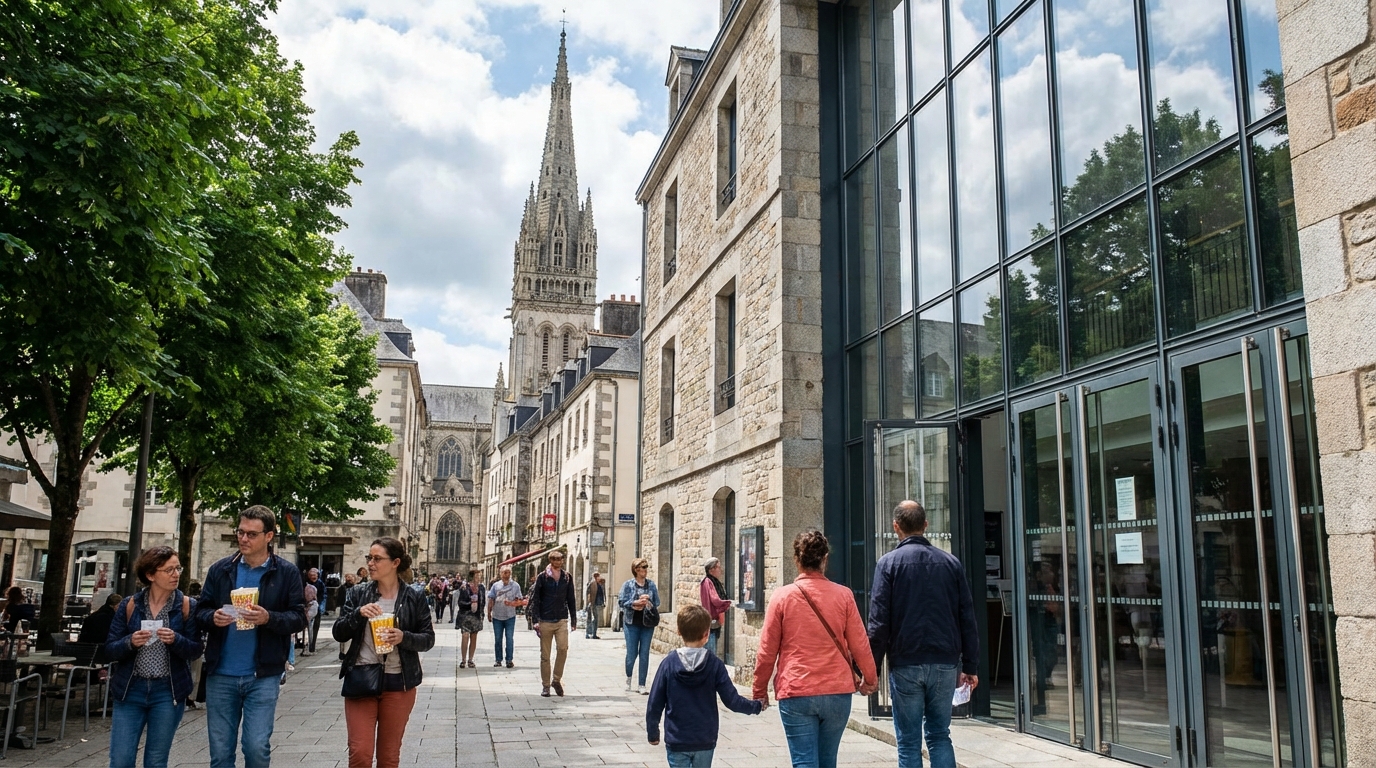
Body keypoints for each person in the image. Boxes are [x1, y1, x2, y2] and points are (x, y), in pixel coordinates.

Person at [868, 501, 979, 768]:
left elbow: (879, 622)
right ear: (925, 526)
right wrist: (971, 665)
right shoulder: (951, 564)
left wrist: (870, 669)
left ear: (896, 527)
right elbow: (967, 617)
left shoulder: (888, 564)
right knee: (940, 735)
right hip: (944, 662)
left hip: (906, 661)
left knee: (907, 741)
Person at [753, 530, 878, 768]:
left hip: (796, 689)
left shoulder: (782, 597)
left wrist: (760, 690)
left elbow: (767, 650)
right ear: (825, 559)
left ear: (797, 560)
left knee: (804, 761)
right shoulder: (844, 596)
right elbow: (859, 643)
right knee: (828, 761)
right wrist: (869, 679)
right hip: (836, 692)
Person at [195, 504, 307, 768]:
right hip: (221, 673)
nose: (244, 539)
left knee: (256, 747)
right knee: (221, 753)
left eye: (252, 534)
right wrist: (213, 618)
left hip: (263, 674)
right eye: (241, 532)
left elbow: (299, 617)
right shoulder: (221, 570)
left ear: (269, 536)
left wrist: (269, 618)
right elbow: (201, 610)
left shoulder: (286, 572)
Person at [334, 537, 435, 768]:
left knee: (389, 758)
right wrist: (358, 614)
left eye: (377, 558)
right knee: (360, 753)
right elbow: (339, 633)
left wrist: (403, 637)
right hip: (361, 679)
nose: (370, 563)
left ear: (395, 562)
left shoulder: (414, 596)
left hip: (399, 684)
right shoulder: (359, 594)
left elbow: (428, 639)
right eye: (369, 557)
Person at [105, 546, 202, 768]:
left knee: (156, 761)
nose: (176, 574)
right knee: (120, 760)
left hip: (167, 692)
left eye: (178, 568)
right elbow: (110, 648)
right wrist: (130, 642)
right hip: (130, 690)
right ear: (150, 575)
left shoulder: (187, 605)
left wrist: (176, 640)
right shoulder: (130, 604)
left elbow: (196, 649)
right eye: (169, 570)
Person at [647, 605, 764, 767]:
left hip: (677, 738)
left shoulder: (668, 664)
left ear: (679, 631)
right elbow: (732, 701)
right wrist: (756, 706)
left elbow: (655, 702)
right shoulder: (714, 665)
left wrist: (653, 732)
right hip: (704, 738)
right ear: (706, 634)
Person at [528, 550, 577, 697]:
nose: (559, 561)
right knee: (545, 655)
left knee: (563, 649)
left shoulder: (566, 577)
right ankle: (546, 686)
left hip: (561, 618)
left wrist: (573, 619)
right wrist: (535, 620)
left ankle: (556, 679)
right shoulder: (542, 577)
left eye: (561, 559)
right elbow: (535, 598)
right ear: (551, 561)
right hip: (545, 619)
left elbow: (571, 598)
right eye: (556, 559)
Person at [619, 558, 661, 695]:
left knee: (644, 654)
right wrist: (635, 602)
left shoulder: (651, 585)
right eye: (642, 567)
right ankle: (629, 677)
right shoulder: (628, 585)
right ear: (636, 570)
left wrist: (647, 602)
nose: (645, 570)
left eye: (646, 567)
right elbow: (621, 601)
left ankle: (642, 684)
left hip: (647, 623)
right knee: (632, 654)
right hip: (631, 623)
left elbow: (657, 602)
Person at [487, 566, 525, 668]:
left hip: (510, 616)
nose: (506, 574)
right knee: (498, 639)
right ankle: (498, 660)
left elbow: (519, 600)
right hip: (497, 616)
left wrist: (513, 603)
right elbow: (491, 599)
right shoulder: (495, 586)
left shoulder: (516, 586)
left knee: (509, 638)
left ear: (510, 574)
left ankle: (509, 660)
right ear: (500, 574)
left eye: (508, 572)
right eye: (504, 572)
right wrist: (488, 612)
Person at [698, 559, 732, 657]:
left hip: (712, 622)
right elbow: (715, 600)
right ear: (711, 569)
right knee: (710, 653)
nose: (720, 570)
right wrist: (727, 603)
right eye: (718, 567)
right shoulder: (708, 582)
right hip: (711, 622)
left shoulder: (711, 581)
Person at [456, 570, 484, 668]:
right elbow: (460, 602)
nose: (478, 578)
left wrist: (482, 613)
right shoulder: (464, 587)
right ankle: (463, 659)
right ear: (472, 577)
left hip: (476, 616)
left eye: (479, 576)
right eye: (477, 576)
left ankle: (470, 659)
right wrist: (470, 604)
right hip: (465, 615)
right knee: (465, 635)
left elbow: (482, 601)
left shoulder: (481, 588)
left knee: (474, 636)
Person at [304, 568, 326, 656]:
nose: (312, 577)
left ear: (317, 575)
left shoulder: (320, 584)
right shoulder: (306, 583)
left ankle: (312, 646)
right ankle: (306, 645)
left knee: (315, 627)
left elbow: (323, 596)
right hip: (307, 607)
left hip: (317, 607)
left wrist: (321, 607)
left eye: (314, 575)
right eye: (311, 575)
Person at [584, 573, 606, 639]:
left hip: (597, 603)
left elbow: (602, 593)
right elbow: (588, 594)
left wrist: (603, 602)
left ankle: (593, 633)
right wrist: (588, 603)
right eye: (598, 576)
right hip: (592, 603)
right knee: (591, 619)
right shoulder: (592, 583)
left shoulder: (600, 584)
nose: (599, 577)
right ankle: (589, 634)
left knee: (595, 619)